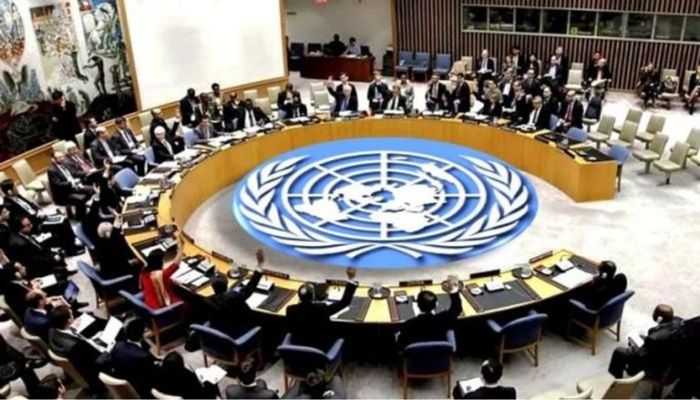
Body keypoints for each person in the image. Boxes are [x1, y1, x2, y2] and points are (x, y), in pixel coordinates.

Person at [1, 179, 82, 255]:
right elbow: (22, 219)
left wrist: (38, 210)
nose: (17, 188)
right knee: (61, 224)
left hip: (39, 217)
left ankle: (72, 243)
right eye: (15, 187)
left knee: (63, 218)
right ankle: (70, 250)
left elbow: (31, 204)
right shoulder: (8, 205)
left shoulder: (17, 196)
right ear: (9, 191)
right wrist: (36, 215)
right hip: (34, 224)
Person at [285, 267, 358, 351]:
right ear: (313, 296)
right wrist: (351, 279)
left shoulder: (290, 310)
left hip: (297, 348)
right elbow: (344, 302)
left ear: (299, 297)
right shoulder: (321, 309)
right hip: (321, 348)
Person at [607, 304, 683, 380]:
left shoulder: (653, 338)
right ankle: (631, 369)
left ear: (659, 318)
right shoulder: (678, 321)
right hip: (667, 354)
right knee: (641, 338)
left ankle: (615, 379)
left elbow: (640, 354)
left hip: (655, 361)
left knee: (619, 352)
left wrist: (634, 348)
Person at [48, 305, 105, 394]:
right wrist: (108, 348)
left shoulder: (52, 331)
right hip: (95, 368)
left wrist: (72, 327)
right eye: (71, 315)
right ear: (68, 320)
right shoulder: (75, 346)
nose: (73, 316)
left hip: (81, 356)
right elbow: (96, 361)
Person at [207, 250, 264, 339]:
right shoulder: (234, 297)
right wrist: (260, 264)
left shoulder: (208, 300)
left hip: (214, 335)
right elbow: (251, 286)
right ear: (227, 283)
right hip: (234, 334)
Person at [396, 276, 462, 350]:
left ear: (418, 305)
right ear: (436, 305)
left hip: (417, 356)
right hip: (439, 354)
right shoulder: (444, 319)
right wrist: (453, 290)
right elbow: (457, 309)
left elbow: (400, 346)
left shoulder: (408, 325)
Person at [108, 318, 158, 398]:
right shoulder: (143, 357)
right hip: (143, 391)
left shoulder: (117, 346)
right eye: (145, 330)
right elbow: (153, 376)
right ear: (142, 333)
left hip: (127, 382)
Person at [139, 235, 184, 310]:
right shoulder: (161, 274)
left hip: (149, 302)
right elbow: (175, 264)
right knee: (186, 303)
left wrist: (171, 281)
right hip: (160, 307)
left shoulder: (144, 271)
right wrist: (182, 247)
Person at [155, 351, 220, 398]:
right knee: (212, 381)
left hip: (175, 393)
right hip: (197, 395)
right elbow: (198, 390)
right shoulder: (188, 378)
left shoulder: (159, 376)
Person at [47, 151, 92, 219]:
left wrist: (87, 172)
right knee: (81, 198)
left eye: (62, 156)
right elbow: (58, 184)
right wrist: (72, 182)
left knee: (92, 189)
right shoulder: (52, 170)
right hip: (63, 194)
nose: (62, 158)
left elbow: (74, 173)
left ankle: (82, 209)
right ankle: (80, 217)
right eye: (59, 158)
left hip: (73, 188)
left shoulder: (65, 164)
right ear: (53, 159)